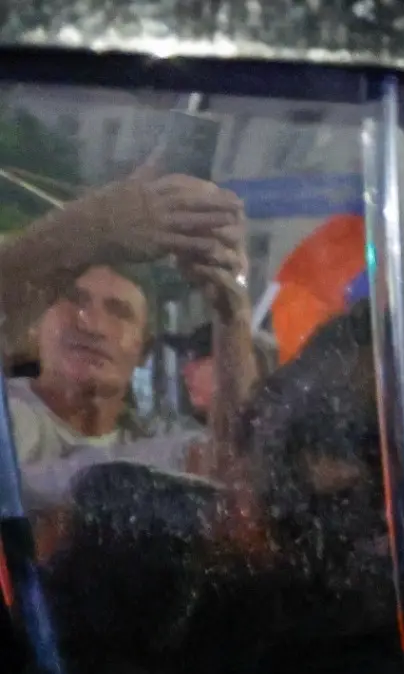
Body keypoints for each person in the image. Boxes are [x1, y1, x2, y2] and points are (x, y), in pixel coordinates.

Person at [0, 163, 254, 513]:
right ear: (34, 325)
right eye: (73, 300)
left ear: (144, 350)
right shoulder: (8, 415)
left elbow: (238, 475)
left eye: (119, 312)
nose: (92, 325)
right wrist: (94, 225)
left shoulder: (158, 437)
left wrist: (232, 313)